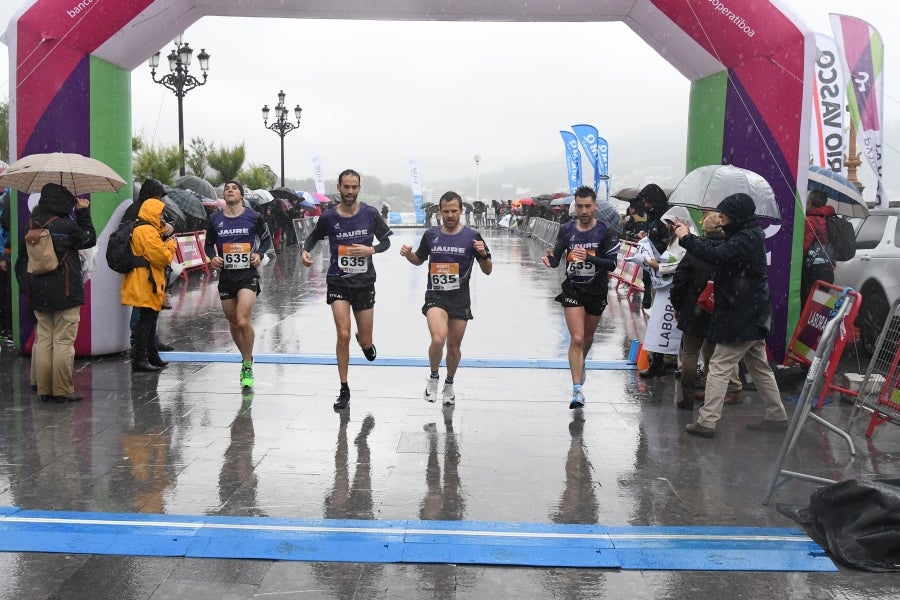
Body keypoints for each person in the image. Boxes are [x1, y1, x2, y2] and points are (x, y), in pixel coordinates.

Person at [673, 193, 789, 438]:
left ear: (736, 214)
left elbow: (717, 255)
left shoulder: (745, 238)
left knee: (719, 365)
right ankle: (777, 416)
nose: (720, 217)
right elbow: (718, 247)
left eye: (724, 213)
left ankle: (707, 422)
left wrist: (686, 239)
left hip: (742, 314)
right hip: (751, 312)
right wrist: (689, 236)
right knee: (759, 366)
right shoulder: (747, 234)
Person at [301, 169, 393, 410]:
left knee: (365, 340)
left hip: (364, 283)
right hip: (338, 281)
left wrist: (370, 250)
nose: (350, 191)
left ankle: (364, 343)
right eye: (346, 187)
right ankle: (344, 388)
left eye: (354, 187)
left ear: (359, 188)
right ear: (339, 187)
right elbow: (312, 238)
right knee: (342, 334)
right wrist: (305, 251)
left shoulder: (370, 214)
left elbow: (386, 241)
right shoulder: (329, 217)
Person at [400, 191, 492, 405]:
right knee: (438, 338)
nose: (450, 215)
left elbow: (487, 270)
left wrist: (483, 254)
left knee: (453, 348)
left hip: (460, 298)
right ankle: (433, 377)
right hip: (436, 295)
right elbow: (418, 260)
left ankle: (449, 383)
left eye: (454, 211)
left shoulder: (473, 236)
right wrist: (408, 255)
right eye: (445, 211)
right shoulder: (431, 235)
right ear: (439, 212)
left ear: (461, 211)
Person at [541, 185, 619, 409]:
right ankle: (577, 391)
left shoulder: (605, 231)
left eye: (587, 206)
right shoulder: (566, 229)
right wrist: (551, 261)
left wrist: (590, 258)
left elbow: (612, 264)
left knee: (587, 337)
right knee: (576, 338)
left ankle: (580, 363)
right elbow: (557, 258)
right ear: (575, 206)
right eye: (579, 206)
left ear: (595, 206)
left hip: (596, 290)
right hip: (573, 289)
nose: (583, 211)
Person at [19, 183, 96, 402]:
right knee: (63, 342)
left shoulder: (32, 224)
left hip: (39, 290)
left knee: (44, 340)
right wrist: (83, 214)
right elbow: (89, 238)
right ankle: (62, 389)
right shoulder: (66, 225)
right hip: (65, 290)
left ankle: (44, 389)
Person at [669, 211, 742, 410]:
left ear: (705, 230)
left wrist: (677, 305)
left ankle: (688, 396)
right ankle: (712, 395)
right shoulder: (732, 251)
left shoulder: (696, 250)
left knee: (690, 352)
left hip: (694, 309)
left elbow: (679, 281)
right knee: (714, 355)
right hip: (719, 310)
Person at [205, 180, 272, 389]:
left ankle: (246, 363)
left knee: (243, 321)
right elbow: (208, 244)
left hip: (247, 275)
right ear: (224, 196)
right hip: (226, 276)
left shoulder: (253, 217)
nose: (230, 190)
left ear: (241, 195)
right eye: (227, 189)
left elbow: (266, 238)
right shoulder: (215, 219)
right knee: (234, 323)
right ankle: (246, 357)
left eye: (234, 188)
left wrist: (259, 254)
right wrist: (212, 258)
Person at [121, 197, 177, 372]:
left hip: (147, 279)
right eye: (159, 214)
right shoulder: (145, 230)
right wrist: (171, 244)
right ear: (152, 212)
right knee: (146, 320)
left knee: (150, 319)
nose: (162, 217)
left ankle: (151, 355)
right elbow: (161, 257)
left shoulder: (147, 228)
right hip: (145, 281)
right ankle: (140, 358)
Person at [635, 183, 670, 310]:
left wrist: (653, 243)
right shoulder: (652, 215)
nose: (645, 206)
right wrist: (645, 236)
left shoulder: (666, 216)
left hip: (661, 267)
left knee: (661, 307)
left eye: (647, 202)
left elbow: (668, 243)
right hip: (650, 267)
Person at [801, 189, 836, 305]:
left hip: (812, 272)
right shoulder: (830, 219)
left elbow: (804, 247)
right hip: (828, 269)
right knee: (822, 304)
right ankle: (824, 322)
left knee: (808, 304)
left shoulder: (810, 221)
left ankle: (806, 323)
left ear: (810, 203)